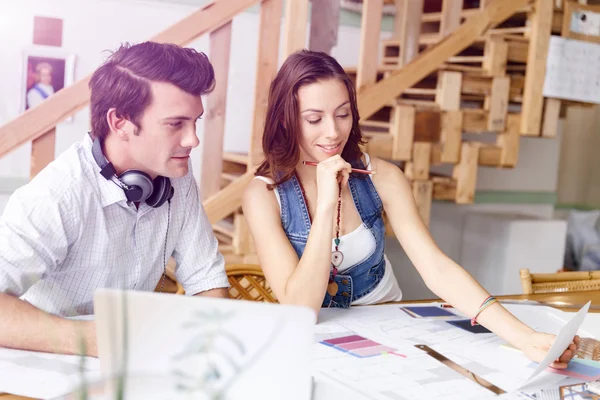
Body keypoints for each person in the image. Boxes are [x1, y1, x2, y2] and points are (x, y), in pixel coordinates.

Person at [242, 49, 578, 367]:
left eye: (343, 114)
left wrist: (526, 337)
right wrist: (328, 203)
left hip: (386, 323)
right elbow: (301, 309)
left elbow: (435, 267)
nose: (333, 132)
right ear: (286, 121)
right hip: (315, 337)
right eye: (314, 119)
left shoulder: (382, 177)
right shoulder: (264, 196)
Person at [0, 42, 229, 357]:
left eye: (195, 122)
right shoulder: (57, 194)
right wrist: (96, 340)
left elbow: (207, 283)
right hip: (51, 367)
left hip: (136, 362)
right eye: (176, 124)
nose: (193, 140)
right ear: (120, 122)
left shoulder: (178, 179)